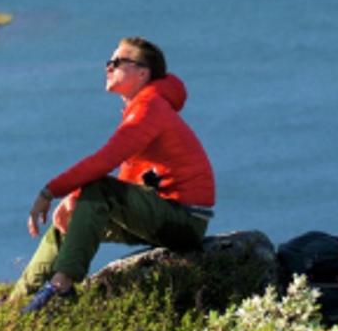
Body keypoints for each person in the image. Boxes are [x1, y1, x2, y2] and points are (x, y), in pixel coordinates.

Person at [14, 35, 217, 312]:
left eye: (118, 62)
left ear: (143, 73)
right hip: (162, 214)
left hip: (184, 220)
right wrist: (74, 198)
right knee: (71, 218)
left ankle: (61, 288)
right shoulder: (143, 106)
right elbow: (128, 178)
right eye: (109, 62)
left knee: (98, 189)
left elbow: (106, 160)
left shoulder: (150, 107)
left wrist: (50, 191)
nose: (108, 67)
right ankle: (21, 298)